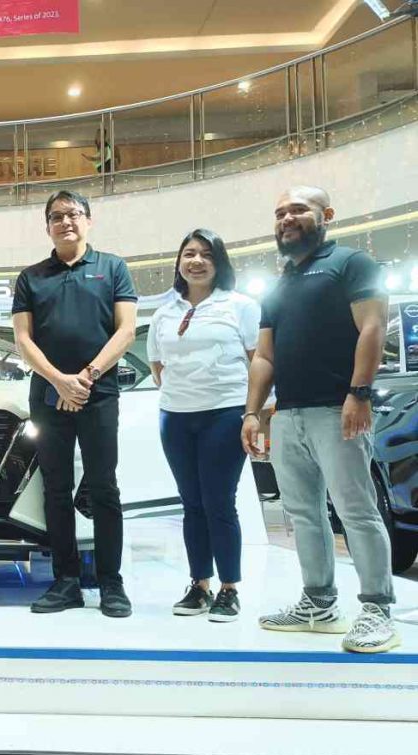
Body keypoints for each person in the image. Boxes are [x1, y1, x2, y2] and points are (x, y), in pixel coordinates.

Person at [242, 185, 400, 654]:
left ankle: (376, 608)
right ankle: (318, 602)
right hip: (288, 415)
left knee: (356, 511)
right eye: (279, 213)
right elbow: (264, 356)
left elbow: (372, 327)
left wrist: (359, 393)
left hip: (339, 409)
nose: (286, 218)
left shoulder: (352, 264)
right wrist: (253, 412)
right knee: (303, 514)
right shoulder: (279, 284)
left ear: (326, 214)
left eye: (297, 210)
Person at [12, 190, 138, 616]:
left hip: (98, 392)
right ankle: (65, 582)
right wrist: (60, 381)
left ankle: (111, 583)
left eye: (73, 214)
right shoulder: (31, 277)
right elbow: (23, 339)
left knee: (104, 486)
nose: (66, 222)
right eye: (56, 216)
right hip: (48, 394)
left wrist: (85, 378)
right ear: (47, 226)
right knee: (56, 489)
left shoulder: (112, 268)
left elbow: (125, 332)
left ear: (88, 220)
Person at [147, 229, 260, 622]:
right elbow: (157, 366)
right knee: (191, 504)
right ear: (179, 261)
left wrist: (256, 413)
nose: (196, 260)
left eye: (206, 254)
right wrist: (184, 395)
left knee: (218, 502)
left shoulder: (241, 306)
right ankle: (199, 585)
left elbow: (258, 361)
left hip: (224, 414)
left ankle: (229, 589)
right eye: (189, 253)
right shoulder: (165, 312)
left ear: (219, 262)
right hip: (176, 418)